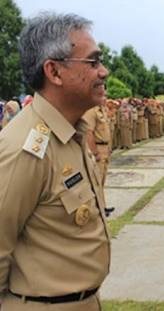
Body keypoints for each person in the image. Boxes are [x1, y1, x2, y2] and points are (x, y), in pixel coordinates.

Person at [0, 12, 110, 311]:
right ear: (54, 72)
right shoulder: (26, 148)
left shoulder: (71, 134)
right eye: (93, 62)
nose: (104, 71)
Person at [83, 98, 112, 186]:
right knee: (97, 181)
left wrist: (109, 148)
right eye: (102, 95)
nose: (104, 98)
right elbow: (88, 133)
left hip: (105, 148)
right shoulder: (91, 111)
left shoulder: (102, 110)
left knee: (102, 179)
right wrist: (95, 153)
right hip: (98, 148)